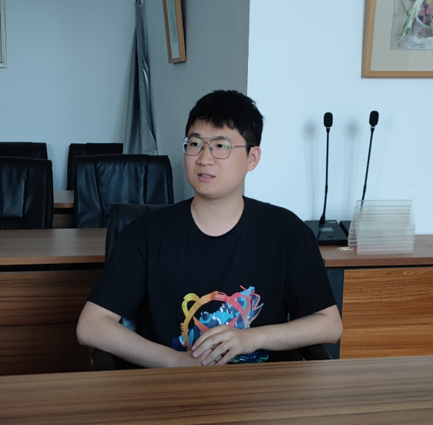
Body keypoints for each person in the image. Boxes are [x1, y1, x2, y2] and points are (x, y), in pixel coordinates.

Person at [77, 90, 342, 368]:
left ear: (252, 157)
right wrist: (176, 361)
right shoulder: (144, 234)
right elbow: (91, 325)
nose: (204, 158)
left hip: (262, 389)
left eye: (221, 145)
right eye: (195, 143)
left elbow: (329, 325)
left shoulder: (286, 232)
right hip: (172, 386)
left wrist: (252, 338)